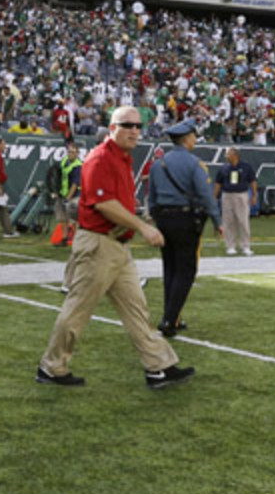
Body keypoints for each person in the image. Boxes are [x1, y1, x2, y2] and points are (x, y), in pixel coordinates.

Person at [36, 106, 195, 389]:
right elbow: (104, 204)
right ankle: (51, 366)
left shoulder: (123, 158)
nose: (135, 130)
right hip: (99, 244)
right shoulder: (99, 158)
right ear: (112, 128)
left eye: (138, 125)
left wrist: (139, 220)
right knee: (77, 311)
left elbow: (118, 201)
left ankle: (158, 367)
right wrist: (143, 226)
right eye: (128, 125)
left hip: (118, 246)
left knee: (137, 311)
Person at [148, 119, 222, 338]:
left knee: (169, 269)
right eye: (193, 136)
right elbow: (206, 195)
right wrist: (217, 221)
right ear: (187, 138)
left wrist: (154, 218)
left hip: (163, 218)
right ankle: (170, 319)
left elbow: (151, 197)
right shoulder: (194, 163)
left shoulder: (158, 164)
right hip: (186, 219)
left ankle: (172, 316)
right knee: (185, 270)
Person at [214, 147, 258, 256]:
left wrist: (254, 195)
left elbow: (252, 181)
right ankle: (230, 246)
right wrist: (214, 196)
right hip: (227, 195)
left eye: (229, 154)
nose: (227, 157)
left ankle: (246, 246)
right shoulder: (223, 168)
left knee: (243, 221)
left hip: (241, 195)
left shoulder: (246, 167)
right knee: (228, 221)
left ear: (235, 155)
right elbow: (218, 183)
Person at [52, 140, 82, 247]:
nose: (70, 154)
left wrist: (68, 198)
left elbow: (75, 183)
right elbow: (59, 176)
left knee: (74, 220)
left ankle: (79, 241)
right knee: (62, 218)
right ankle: (64, 239)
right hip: (62, 193)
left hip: (74, 196)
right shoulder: (64, 161)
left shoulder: (78, 166)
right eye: (69, 152)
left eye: (73, 152)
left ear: (78, 154)